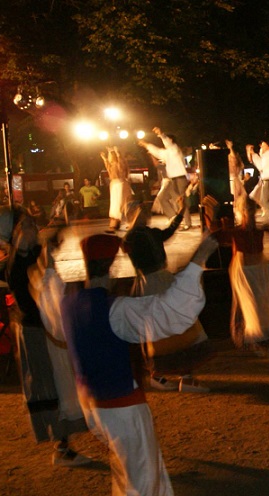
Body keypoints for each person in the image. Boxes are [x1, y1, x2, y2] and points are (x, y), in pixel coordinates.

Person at [53, 232, 218, 496]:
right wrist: (198, 260)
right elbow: (169, 310)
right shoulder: (115, 310)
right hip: (122, 406)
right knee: (142, 479)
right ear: (115, 265)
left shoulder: (68, 303)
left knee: (130, 470)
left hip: (93, 406)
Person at [7, 216, 91, 467]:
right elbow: (27, 292)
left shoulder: (34, 253)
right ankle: (60, 446)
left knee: (60, 382)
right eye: (25, 229)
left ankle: (64, 445)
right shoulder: (14, 263)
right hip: (34, 331)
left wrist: (60, 233)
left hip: (47, 328)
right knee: (47, 383)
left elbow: (46, 252)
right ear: (16, 234)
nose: (31, 232)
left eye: (33, 228)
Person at [121, 199, 211, 393]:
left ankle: (165, 376)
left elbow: (168, 231)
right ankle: (178, 377)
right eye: (144, 211)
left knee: (163, 328)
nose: (148, 214)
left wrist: (180, 211)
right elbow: (131, 241)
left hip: (154, 282)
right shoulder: (134, 237)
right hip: (153, 283)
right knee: (172, 326)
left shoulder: (144, 234)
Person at [216, 197, 269, 356]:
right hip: (246, 269)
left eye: (250, 210)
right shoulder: (238, 231)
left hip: (256, 269)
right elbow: (219, 237)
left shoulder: (253, 230)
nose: (248, 212)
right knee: (253, 303)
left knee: (260, 303)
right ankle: (257, 340)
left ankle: (259, 340)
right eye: (246, 209)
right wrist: (213, 218)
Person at [140, 127, 192, 230]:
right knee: (162, 198)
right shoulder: (167, 152)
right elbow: (158, 152)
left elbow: (166, 143)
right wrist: (146, 145)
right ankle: (174, 219)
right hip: (172, 179)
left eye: (166, 139)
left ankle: (187, 223)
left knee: (180, 200)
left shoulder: (174, 149)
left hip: (180, 178)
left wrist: (161, 134)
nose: (164, 142)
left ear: (171, 140)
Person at [101, 146, 132, 232]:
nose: (109, 156)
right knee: (115, 205)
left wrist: (117, 153)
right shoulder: (111, 165)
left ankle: (130, 223)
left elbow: (122, 168)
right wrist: (104, 157)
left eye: (111, 155)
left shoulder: (119, 163)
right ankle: (115, 224)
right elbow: (107, 165)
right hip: (114, 185)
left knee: (123, 204)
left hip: (120, 184)